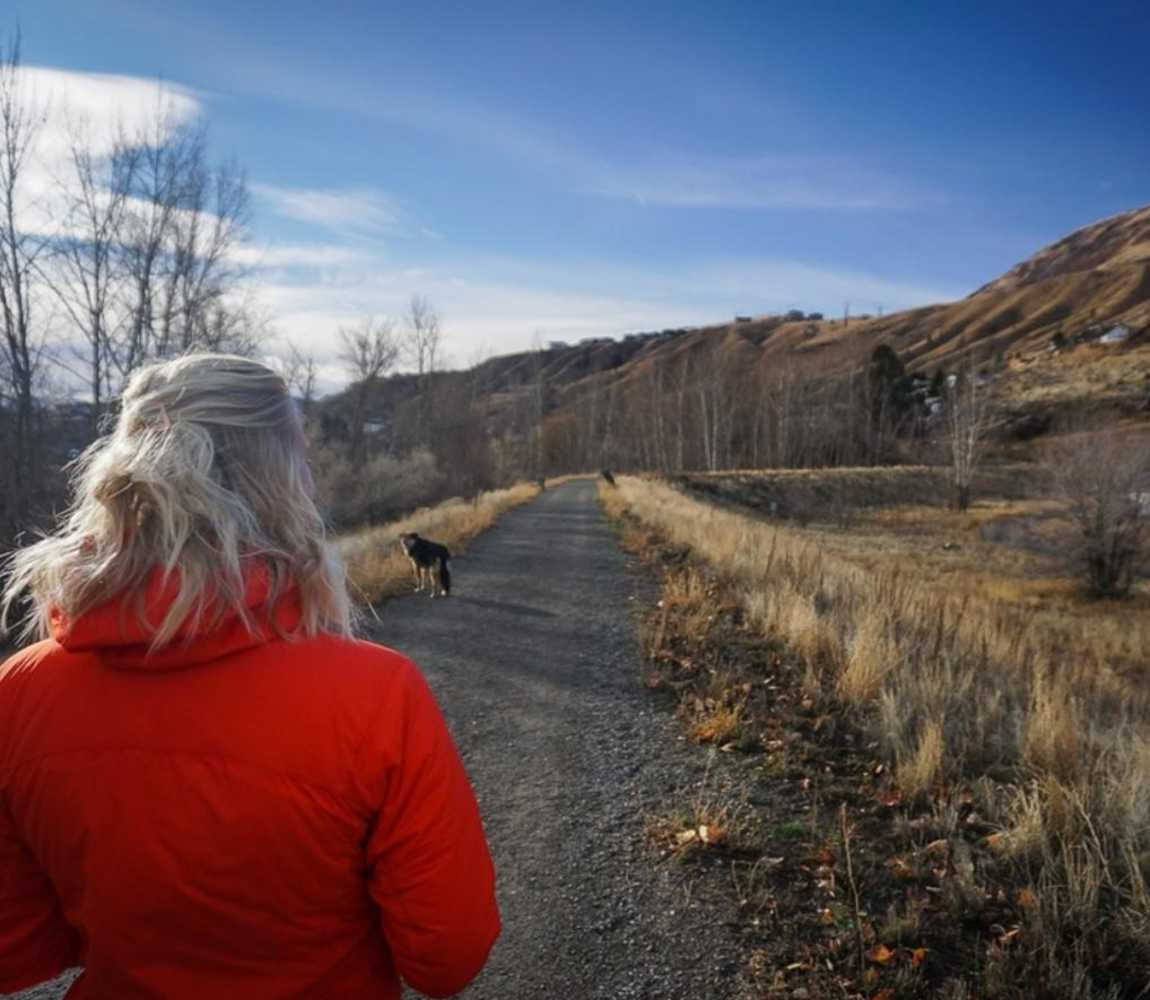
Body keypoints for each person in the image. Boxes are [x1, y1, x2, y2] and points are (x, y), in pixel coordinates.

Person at [0, 354, 499, 999]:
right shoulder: (378, 694)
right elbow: (448, 957)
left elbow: (17, 949)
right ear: (282, 484)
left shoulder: (18, 693)